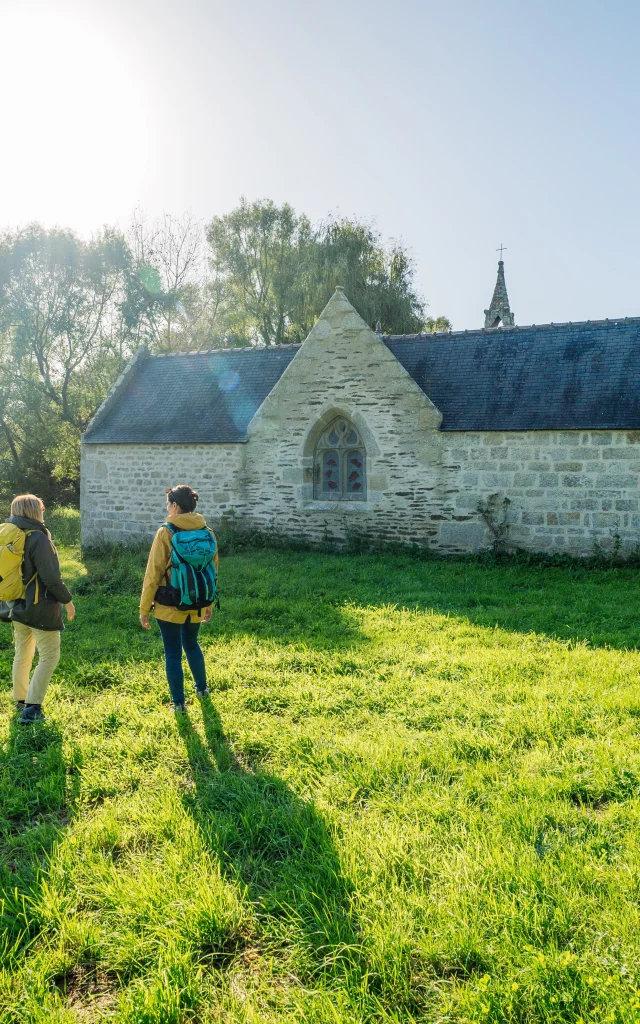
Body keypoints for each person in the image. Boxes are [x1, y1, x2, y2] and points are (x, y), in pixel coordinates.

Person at [139, 484, 218, 712]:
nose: (167, 508)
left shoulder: (166, 532)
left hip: (169, 603)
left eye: (168, 504)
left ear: (175, 506)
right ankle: (202, 690)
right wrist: (208, 603)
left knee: (173, 653)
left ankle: (179, 704)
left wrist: (144, 608)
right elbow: (213, 569)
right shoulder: (208, 532)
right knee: (192, 645)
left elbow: (153, 573)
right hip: (197, 602)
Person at [1, 494, 75, 724]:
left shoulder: (10, 535)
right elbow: (51, 578)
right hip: (40, 606)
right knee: (50, 655)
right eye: (42, 510)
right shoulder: (38, 538)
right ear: (35, 512)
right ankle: (32, 709)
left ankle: (21, 699)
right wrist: (67, 600)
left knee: (23, 652)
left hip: (15, 605)